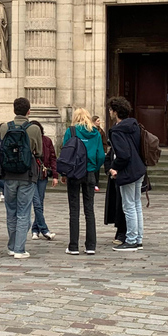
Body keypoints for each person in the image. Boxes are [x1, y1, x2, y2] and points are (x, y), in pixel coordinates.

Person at [0, 97, 42, 259]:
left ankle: (11, 246)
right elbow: (39, 152)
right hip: (27, 175)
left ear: (14, 110)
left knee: (11, 211)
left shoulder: (4, 127)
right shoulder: (34, 129)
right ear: (29, 111)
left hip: (8, 174)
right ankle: (19, 249)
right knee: (24, 211)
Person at [61, 109, 105, 255]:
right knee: (89, 209)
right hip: (90, 172)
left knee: (74, 210)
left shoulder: (71, 131)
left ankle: (73, 246)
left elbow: (65, 152)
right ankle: (90, 246)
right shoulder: (96, 133)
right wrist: (93, 167)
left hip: (74, 173)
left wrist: (64, 172)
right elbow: (100, 155)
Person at [107, 97, 147, 252]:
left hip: (128, 171)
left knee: (129, 206)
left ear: (115, 112)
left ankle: (131, 240)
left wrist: (114, 167)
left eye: (111, 110)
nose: (110, 112)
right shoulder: (134, 125)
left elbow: (123, 155)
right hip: (139, 169)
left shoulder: (117, 131)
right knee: (136, 204)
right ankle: (138, 239)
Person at [29, 121, 58, 241]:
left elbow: (52, 157)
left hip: (43, 174)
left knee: (39, 202)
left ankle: (35, 230)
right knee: (36, 203)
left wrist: (55, 175)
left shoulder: (46, 141)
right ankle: (45, 230)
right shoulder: (29, 140)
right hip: (31, 175)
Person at [92, 115, 109, 192]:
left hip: (98, 152)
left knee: (97, 169)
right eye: (97, 121)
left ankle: (96, 183)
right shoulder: (90, 131)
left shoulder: (101, 131)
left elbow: (104, 142)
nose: (99, 122)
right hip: (92, 152)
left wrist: (104, 151)